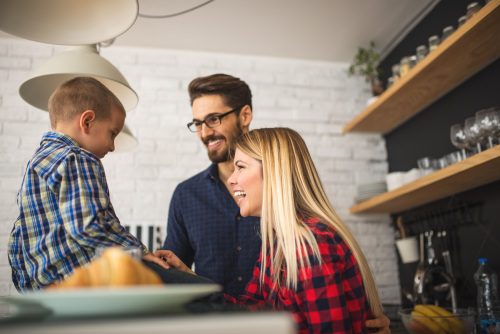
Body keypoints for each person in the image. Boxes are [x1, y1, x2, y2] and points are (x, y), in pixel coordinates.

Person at [160, 74, 390, 332]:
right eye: (197, 123)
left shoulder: (308, 244)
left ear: (244, 115)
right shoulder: (275, 244)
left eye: (213, 119)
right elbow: (249, 311)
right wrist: (186, 277)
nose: (204, 131)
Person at [7, 77, 183, 292]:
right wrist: (139, 253)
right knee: (197, 288)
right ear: (87, 121)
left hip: (47, 287)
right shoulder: (77, 158)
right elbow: (89, 226)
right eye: (113, 133)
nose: (113, 146)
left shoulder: (36, 164)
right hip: (82, 282)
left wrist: (32, 289)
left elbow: (18, 239)